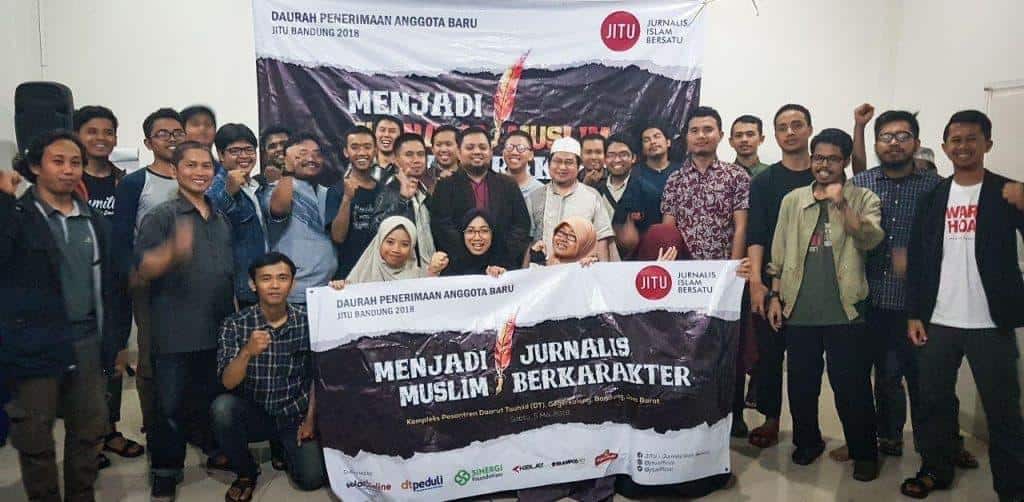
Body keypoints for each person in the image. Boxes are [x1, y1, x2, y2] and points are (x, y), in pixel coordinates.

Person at [845, 110, 978, 468]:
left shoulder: (936, 187)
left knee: (930, 382)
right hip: (874, 300)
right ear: (876, 144)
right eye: (886, 137)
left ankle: (942, 447)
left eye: (903, 136)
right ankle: (888, 438)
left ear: (917, 143)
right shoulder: (862, 184)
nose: (894, 143)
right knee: (886, 378)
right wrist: (858, 126)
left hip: (923, 303)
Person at [903, 110, 1024, 501]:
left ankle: (1012, 487)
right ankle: (935, 469)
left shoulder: (1008, 192)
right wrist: (915, 313)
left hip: (991, 323)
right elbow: (918, 259)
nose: (963, 146)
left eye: (972, 138)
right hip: (938, 320)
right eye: (955, 140)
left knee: (1003, 411)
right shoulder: (933, 197)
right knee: (933, 403)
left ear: (988, 143)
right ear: (944, 147)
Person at [1, 131, 119, 502]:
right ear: (35, 166)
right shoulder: (17, 215)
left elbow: (110, 286)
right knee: (34, 437)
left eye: (75, 163)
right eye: (58, 161)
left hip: (87, 340)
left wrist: (112, 343)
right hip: (33, 344)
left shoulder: (93, 220)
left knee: (88, 432)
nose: (68, 170)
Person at [766, 128, 883, 480]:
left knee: (851, 387)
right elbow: (778, 252)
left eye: (832, 159)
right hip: (799, 309)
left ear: (845, 161)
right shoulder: (793, 200)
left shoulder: (863, 197)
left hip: (845, 310)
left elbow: (869, 238)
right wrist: (775, 295)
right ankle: (807, 442)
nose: (824, 165)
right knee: (801, 385)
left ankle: (864, 452)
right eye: (819, 158)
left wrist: (841, 202)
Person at [135, 141, 235, 500]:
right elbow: (142, 270)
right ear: (175, 170)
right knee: (169, 407)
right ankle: (165, 469)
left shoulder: (220, 217)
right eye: (190, 165)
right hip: (174, 330)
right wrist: (171, 253)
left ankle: (212, 448)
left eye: (206, 166)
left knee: (206, 398)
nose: (199, 172)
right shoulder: (162, 216)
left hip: (216, 328)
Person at [660, 106, 751, 436]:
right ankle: (691, 410)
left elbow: (741, 227)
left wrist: (732, 271)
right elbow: (667, 231)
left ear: (720, 135)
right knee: (689, 348)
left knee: (728, 347)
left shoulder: (736, 177)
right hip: (685, 280)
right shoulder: (675, 180)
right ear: (686, 137)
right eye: (695, 130)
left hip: (724, 277)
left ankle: (733, 413)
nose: (701, 135)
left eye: (708, 129)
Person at [213, 252, 326, 501]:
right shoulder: (235, 324)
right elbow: (228, 382)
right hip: (255, 412)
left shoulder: (309, 321)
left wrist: (310, 420)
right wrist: (247, 352)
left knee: (312, 478)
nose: (274, 285)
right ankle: (246, 472)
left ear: (293, 283)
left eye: (282, 278)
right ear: (253, 284)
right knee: (222, 408)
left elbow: (317, 377)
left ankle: (282, 447)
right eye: (266, 279)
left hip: (294, 415)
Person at [73, 105, 145, 469]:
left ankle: (110, 429)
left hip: (117, 286)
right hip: (81, 287)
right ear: (78, 135)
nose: (101, 138)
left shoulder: (123, 181)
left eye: (108, 132)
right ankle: (87, 439)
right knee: (85, 366)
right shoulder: (71, 180)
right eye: (92, 131)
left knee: (114, 361)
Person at [110, 107, 185, 438]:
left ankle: (188, 422)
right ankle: (155, 426)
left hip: (194, 284)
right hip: (153, 286)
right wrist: (135, 276)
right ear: (148, 142)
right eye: (162, 134)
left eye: (177, 132)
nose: (171, 139)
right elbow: (121, 237)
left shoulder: (196, 175)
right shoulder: (135, 183)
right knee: (153, 358)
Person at [745, 103, 815, 450]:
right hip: (772, 282)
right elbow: (756, 234)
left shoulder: (823, 176)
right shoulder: (764, 181)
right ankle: (771, 418)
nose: (790, 132)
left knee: (806, 363)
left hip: (814, 284)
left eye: (797, 125)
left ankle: (807, 429)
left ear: (809, 130)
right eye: (783, 127)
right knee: (770, 357)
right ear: (774, 135)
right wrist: (756, 283)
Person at [429, 126, 532, 269]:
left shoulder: (508, 184)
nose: (477, 151)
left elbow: (521, 226)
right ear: (458, 153)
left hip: (502, 269)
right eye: (470, 147)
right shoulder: (445, 186)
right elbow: (441, 227)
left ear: (491, 152)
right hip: (459, 269)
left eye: (482, 147)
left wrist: (500, 258)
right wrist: (470, 257)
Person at [268, 133, 339, 304]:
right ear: (287, 158)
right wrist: (287, 172)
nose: (311, 159)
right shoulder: (275, 189)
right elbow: (278, 209)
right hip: (293, 293)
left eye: (316, 154)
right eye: (302, 153)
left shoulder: (328, 192)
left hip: (327, 290)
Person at [207, 123, 269, 308]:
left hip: (264, 278)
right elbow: (209, 221)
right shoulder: (214, 187)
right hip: (240, 286)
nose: (243, 156)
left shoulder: (258, 186)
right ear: (221, 155)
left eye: (249, 150)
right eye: (235, 151)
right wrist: (228, 193)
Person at [529, 137, 614, 263]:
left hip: (581, 270)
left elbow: (602, 238)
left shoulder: (592, 196)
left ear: (579, 166)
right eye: (557, 161)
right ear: (549, 164)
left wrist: (601, 270)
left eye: (569, 162)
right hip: (543, 271)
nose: (562, 167)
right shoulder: (536, 196)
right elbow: (527, 240)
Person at [369, 133, 436, 268]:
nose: (416, 160)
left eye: (420, 154)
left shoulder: (425, 190)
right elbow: (376, 229)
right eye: (409, 155)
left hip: (429, 271)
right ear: (395, 159)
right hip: (402, 274)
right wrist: (402, 199)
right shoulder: (387, 189)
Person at [327, 125, 382, 279]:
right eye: (355, 147)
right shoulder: (336, 190)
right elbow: (337, 237)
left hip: (379, 274)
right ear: (346, 152)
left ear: (375, 151)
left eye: (367, 147)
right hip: (348, 275)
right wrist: (347, 199)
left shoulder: (384, 191)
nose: (362, 153)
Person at [598, 134, 662, 259]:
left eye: (623, 154)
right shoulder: (595, 191)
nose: (617, 160)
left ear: (634, 158)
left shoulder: (649, 192)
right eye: (611, 155)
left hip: (637, 263)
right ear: (605, 159)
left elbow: (653, 236)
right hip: (601, 262)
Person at [335, 215, 449, 285]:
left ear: (412, 248)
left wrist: (433, 272)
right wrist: (338, 288)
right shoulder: (361, 274)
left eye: (405, 244)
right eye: (390, 242)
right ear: (379, 242)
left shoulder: (419, 277)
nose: (396, 249)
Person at [443, 209, 509, 276]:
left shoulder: (506, 263)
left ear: (493, 234)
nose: (477, 238)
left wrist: (502, 275)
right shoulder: (449, 266)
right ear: (462, 235)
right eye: (470, 231)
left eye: (484, 231)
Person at [635, 124, 681, 197]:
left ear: (668, 142)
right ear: (642, 149)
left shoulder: (683, 171)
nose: (652, 142)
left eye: (657, 137)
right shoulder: (634, 175)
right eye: (646, 140)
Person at [423, 125, 459, 193]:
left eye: (448, 144)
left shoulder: (471, 176)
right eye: (438, 145)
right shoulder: (423, 179)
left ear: (459, 147)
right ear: (432, 149)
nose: (443, 149)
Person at [372, 115, 404, 182]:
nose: (386, 135)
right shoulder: (363, 166)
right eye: (382, 130)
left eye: (392, 131)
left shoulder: (407, 167)